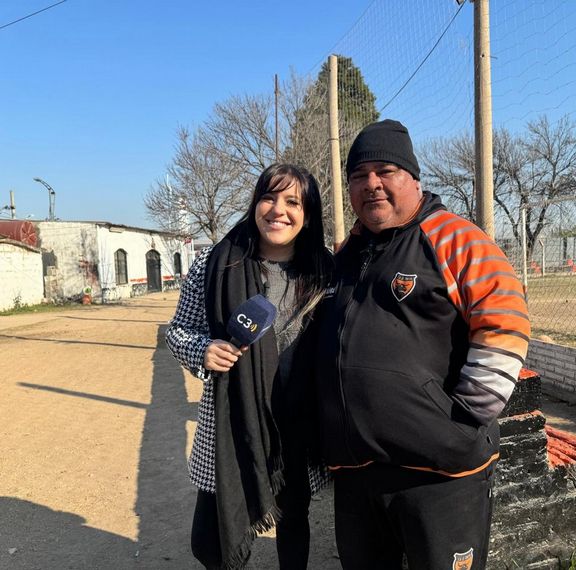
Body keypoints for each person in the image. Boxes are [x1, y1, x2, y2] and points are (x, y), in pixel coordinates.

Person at [312, 120, 530, 570]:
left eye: (384, 171)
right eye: (358, 175)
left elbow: (504, 321)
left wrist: (456, 424)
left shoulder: (457, 238)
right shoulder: (344, 258)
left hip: (439, 477)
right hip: (356, 477)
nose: (371, 184)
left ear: (413, 178)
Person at [166, 163, 332, 570]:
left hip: (297, 421)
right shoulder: (214, 263)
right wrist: (203, 351)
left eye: (292, 201)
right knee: (212, 534)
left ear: (307, 214)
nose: (278, 210)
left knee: (293, 519)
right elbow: (178, 332)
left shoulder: (324, 271)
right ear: (255, 204)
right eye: (268, 197)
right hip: (231, 419)